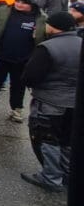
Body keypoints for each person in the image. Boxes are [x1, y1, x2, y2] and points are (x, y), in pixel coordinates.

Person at [21, 11, 78, 192]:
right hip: (74, 103)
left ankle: (51, 177)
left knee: (48, 139)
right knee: (68, 140)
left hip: (50, 102)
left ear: (53, 26)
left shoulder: (47, 47)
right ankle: (68, 175)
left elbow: (30, 76)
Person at [0, 0, 46, 122]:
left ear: (32, 5)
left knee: (18, 85)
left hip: (23, 58)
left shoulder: (41, 18)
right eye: (18, 1)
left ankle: (16, 109)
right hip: (1, 54)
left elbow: (45, 37)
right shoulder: (4, 11)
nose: (19, 4)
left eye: (24, 3)